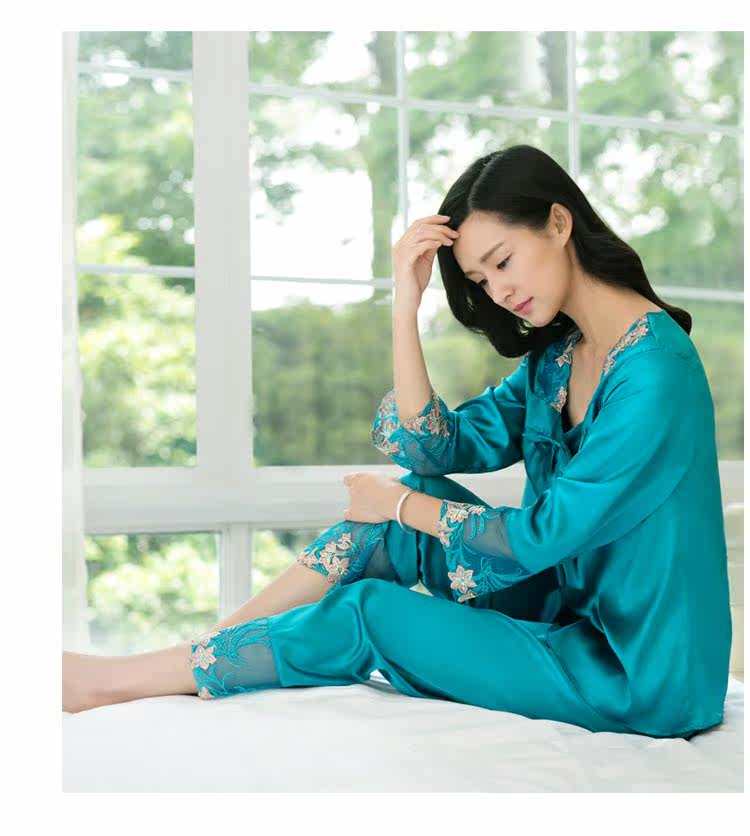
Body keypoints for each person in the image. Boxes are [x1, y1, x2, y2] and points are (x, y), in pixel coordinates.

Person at [63, 145, 732, 739]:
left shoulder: (655, 374)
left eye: (502, 262)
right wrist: (403, 306)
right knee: (410, 501)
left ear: (559, 223)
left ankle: (137, 676)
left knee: (372, 606)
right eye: (481, 281)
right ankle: (204, 651)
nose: (499, 292)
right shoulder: (558, 359)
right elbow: (434, 448)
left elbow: (539, 536)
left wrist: (399, 505)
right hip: (566, 610)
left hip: (640, 674)